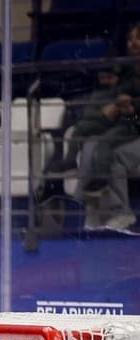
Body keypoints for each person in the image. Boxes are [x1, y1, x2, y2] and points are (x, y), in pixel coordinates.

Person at [74, 24, 140, 231]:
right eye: (130, 39)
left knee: (112, 155)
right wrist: (121, 110)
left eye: (139, 38)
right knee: (91, 146)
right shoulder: (126, 72)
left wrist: (132, 110)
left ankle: (121, 212)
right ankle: (91, 207)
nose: (133, 43)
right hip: (127, 129)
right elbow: (115, 111)